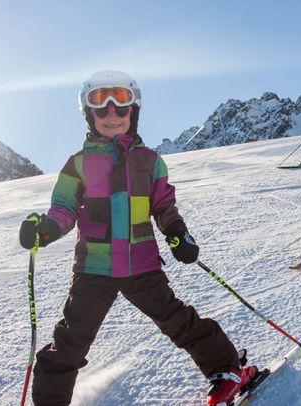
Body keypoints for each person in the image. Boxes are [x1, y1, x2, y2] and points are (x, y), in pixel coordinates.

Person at [18, 70, 257, 406]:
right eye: (100, 105)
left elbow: (164, 206)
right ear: (88, 114)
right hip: (94, 269)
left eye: (121, 105)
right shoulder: (79, 165)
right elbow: (63, 210)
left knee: (176, 320)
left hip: (142, 266)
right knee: (70, 340)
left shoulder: (150, 162)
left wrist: (177, 233)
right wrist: (43, 229)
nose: (112, 114)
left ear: (134, 111)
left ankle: (228, 371)